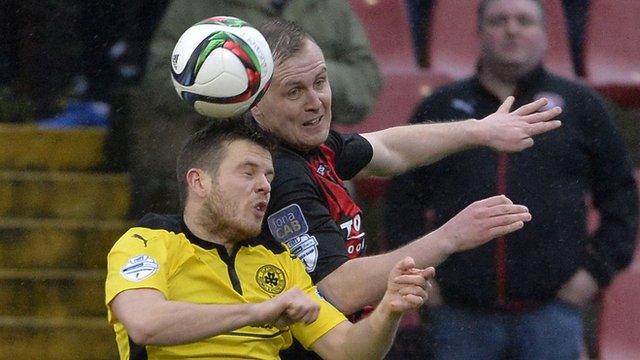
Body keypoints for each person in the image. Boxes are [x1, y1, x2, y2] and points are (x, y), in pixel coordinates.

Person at [248, 18, 562, 357]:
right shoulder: (275, 174)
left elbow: (388, 149)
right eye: (295, 91)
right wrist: (451, 236)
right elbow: (339, 288)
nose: (316, 102)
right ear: (255, 102)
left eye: (321, 82)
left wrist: (479, 130)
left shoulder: (307, 146)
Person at [383, 0, 639, 359]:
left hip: (553, 314)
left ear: (546, 35)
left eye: (524, 20)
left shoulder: (582, 106)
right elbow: (402, 201)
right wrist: (426, 279)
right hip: (457, 317)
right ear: (479, 33)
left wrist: (594, 273)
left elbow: (621, 198)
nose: (512, 29)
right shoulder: (440, 108)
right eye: (498, 20)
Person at [105, 118, 433, 359]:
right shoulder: (149, 241)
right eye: (248, 172)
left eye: (268, 176)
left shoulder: (280, 259)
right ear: (199, 182)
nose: (264, 185)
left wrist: (389, 311)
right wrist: (259, 311)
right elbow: (145, 323)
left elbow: (346, 350)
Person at [128, 0, 382, 217]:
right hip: (225, 148)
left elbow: (368, 82)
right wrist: (228, 84)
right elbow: (160, 79)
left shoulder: (330, 6)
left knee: (344, 196)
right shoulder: (197, 5)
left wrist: (303, 76)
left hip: (310, 152)